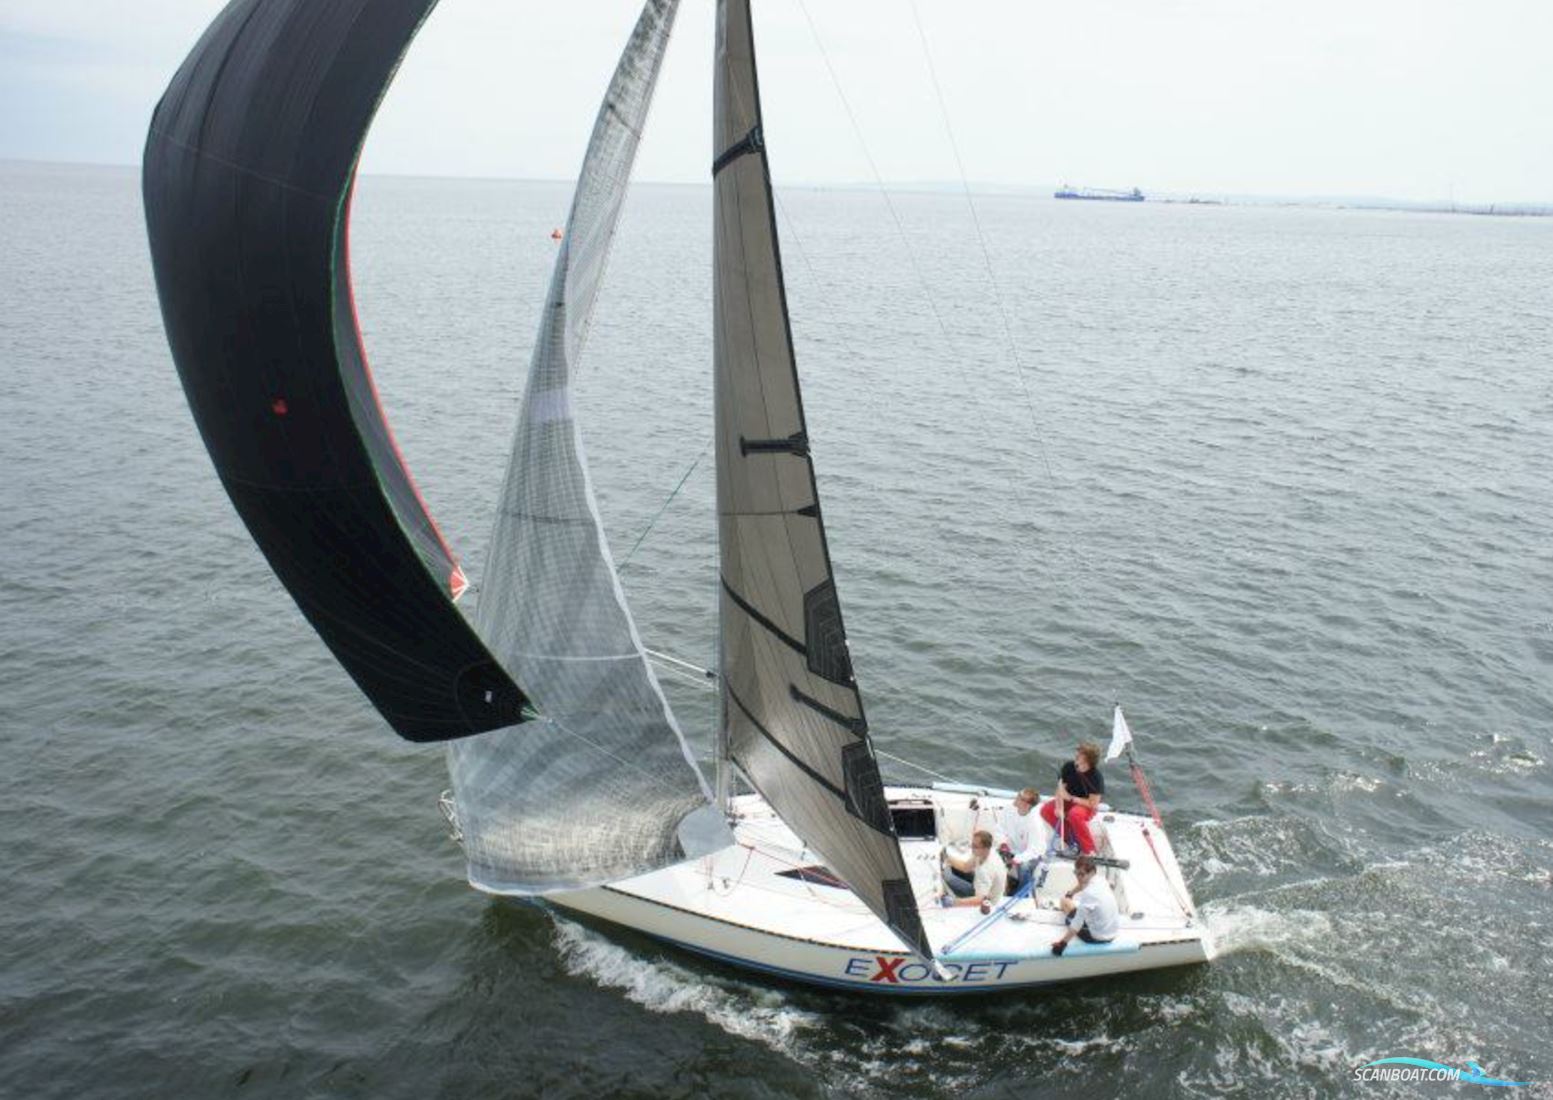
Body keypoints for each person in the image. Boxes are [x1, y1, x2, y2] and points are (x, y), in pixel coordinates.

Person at [1038, 740, 1105, 854]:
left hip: (1085, 805)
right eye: (1078, 755)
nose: (1077, 758)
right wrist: (1059, 807)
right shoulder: (1069, 766)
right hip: (1067, 800)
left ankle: (1089, 850)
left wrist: (1071, 798)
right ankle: (1070, 840)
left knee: (1075, 814)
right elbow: (1060, 788)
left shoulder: (1096, 778)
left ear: (1089, 761)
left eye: (1080, 756)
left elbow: (1093, 804)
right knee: (1046, 810)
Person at [1050, 855, 1120, 955]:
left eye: (1081, 874)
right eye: (1076, 873)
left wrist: (1062, 944)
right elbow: (1083, 884)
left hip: (1097, 938)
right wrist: (1071, 893)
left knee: (1064, 902)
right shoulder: (1102, 880)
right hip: (1112, 933)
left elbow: (1077, 923)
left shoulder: (1089, 893)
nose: (1078, 877)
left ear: (1091, 872)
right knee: (1072, 900)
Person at [940, 829, 1006, 911]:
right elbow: (966, 867)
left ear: (985, 848)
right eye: (972, 845)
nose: (971, 848)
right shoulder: (984, 852)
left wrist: (954, 902)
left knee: (948, 878)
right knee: (947, 873)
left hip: (987, 904)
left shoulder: (985, 871)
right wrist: (947, 859)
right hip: (982, 888)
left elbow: (981, 900)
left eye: (975, 846)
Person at [995, 787, 1041, 890]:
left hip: (1030, 854)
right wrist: (1003, 844)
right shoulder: (1008, 809)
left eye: (1020, 797)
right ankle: (1000, 887)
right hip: (1010, 849)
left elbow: (1033, 850)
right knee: (993, 857)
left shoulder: (1035, 823)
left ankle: (1022, 892)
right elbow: (999, 829)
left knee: (1024, 867)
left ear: (1027, 805)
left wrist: (1015, 860)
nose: (1016, 797)